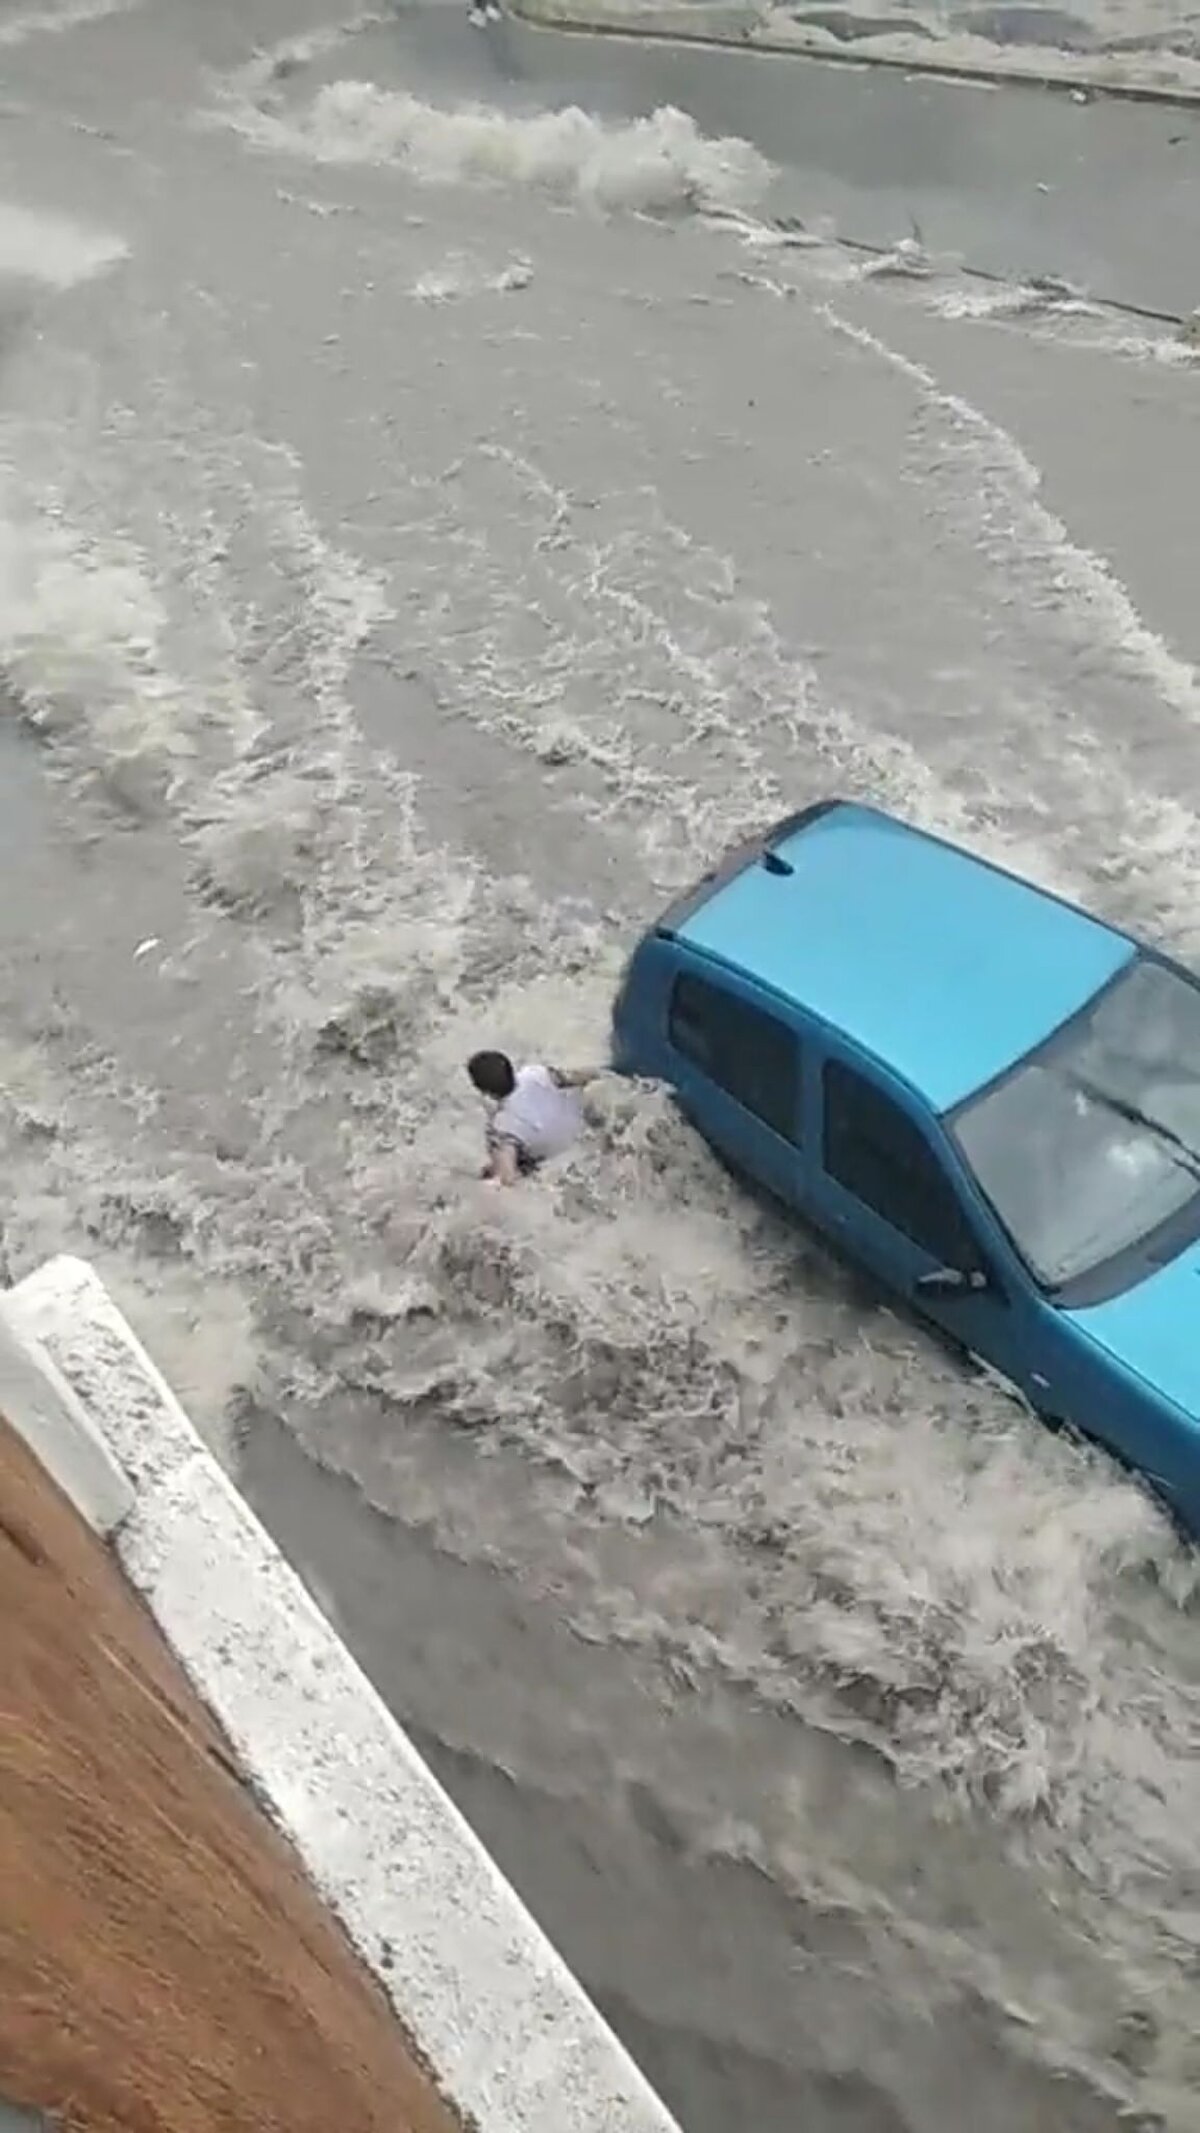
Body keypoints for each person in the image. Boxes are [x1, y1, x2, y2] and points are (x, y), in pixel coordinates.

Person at [467, 1049, 594, 1185]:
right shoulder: (536, 1074)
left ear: (485, 1092)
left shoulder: (501, 1129)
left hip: (558, 1167)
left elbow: (507, 1179)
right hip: (588, 1136)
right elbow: (585, 1077)